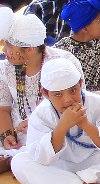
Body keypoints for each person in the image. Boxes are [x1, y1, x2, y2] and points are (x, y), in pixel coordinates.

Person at [0, 14, 77, 171]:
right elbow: (3, 108)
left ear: (29, 50)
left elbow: (75, 106)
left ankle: (18, 162)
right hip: (18, 129)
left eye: (8, 46)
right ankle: (15, 158)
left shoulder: (62, 64)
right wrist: (7, 135)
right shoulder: (6, 67)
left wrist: (36, 123)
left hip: (55, 127)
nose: (4, 50)